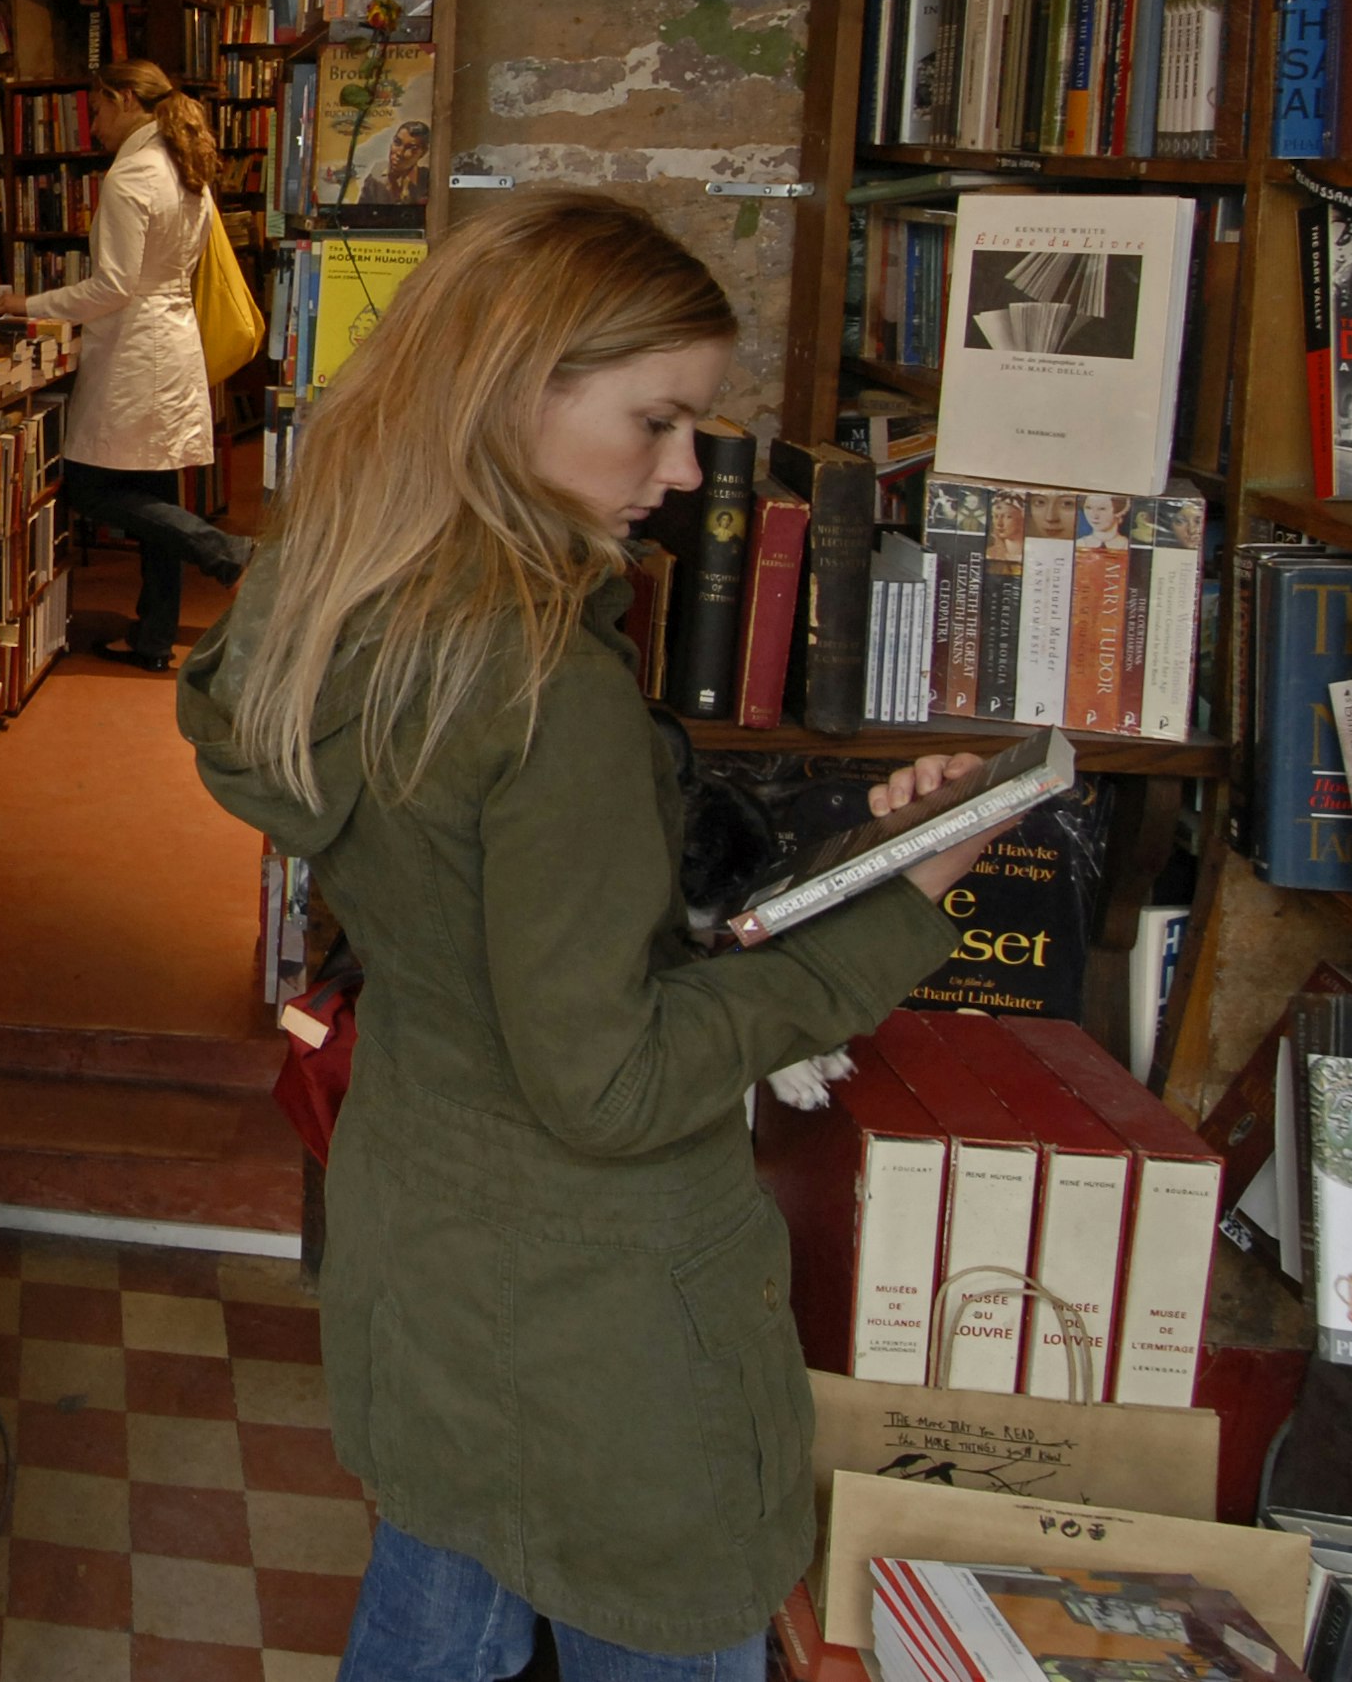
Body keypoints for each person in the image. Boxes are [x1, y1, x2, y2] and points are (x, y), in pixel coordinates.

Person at [174, 188, 1020, 1682]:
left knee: (439, 1603)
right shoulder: (540, 689)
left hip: (424, 1244)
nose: (686, 470)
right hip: (596, 1318)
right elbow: (611, 1081)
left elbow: (454, 904)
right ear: (513, 389)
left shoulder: (339, 603)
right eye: (657, 420)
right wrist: (908, 901)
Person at [0, 57, 248, 669]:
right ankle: (154, 638)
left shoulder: (131, 176)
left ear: (126, 99)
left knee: (92, 488)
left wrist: (28, 302)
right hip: (172, 342)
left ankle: (225, 550)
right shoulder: (184, 167)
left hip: (135, 349)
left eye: (97, 108)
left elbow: (113, 287)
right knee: (156, 492)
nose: (91, 124)